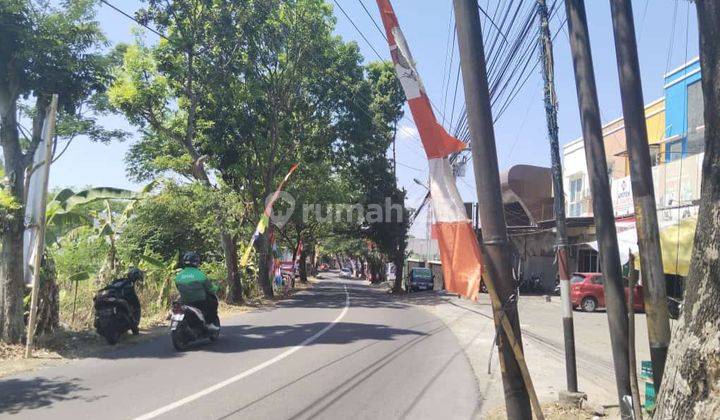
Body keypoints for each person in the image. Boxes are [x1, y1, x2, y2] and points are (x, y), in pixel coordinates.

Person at [174, 251, 220, 330]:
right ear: (196, 262)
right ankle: (209, 323)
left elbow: (178, 288)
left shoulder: (178, 276)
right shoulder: (200, 275)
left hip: (185, 301)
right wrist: (217, 287)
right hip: (200, 302)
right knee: (213, 304)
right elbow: (210, 289)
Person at [109, 268, 143, 335]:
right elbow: (131, 296)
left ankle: (132, 326)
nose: (136, 279)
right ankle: (134, 327)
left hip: (115, 298)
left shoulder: (121, 281)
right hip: (120, 299)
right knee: (133, 308)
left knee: (130, 308)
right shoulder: (128, 283)